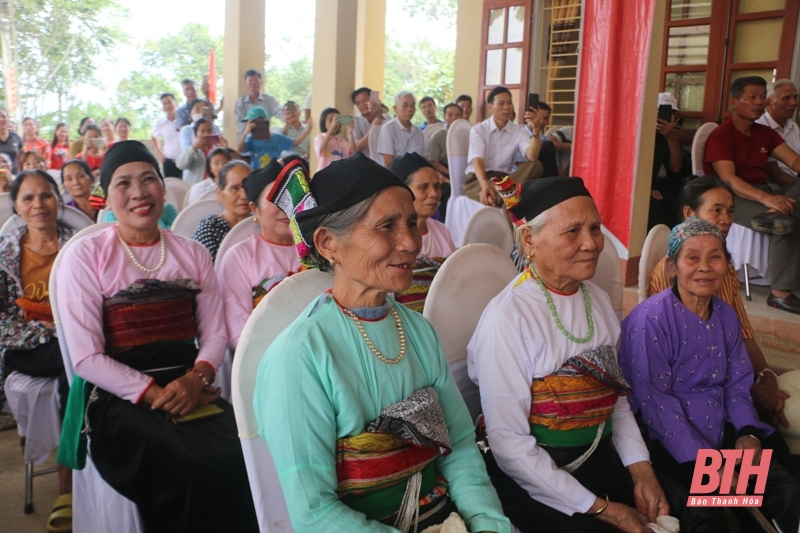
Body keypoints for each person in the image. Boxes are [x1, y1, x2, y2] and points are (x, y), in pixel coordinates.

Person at [254, 152, 510, 533]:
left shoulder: (418, 330)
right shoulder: (300, 356)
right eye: (386, 226)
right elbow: (315, 512)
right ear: (327, 243)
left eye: (411, 222)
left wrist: (489, 525)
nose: (410, 242)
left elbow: (458, 448)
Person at [469, 177, 716, 533]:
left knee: (701, 511)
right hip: (535, 474)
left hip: (598, 455)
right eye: (572, 231)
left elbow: (616, 400)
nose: (592, 243)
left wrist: (641, 471)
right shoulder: (506, 319)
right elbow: (510, 446)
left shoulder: (596, 300)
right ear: (529, 241)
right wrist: (606, 510)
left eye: (596, 228)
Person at [55, 141, 258, 532]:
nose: (138, 192)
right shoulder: (86, 256)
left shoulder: (193, 253)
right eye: (124, 183)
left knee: (244, 451)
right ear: (108, 197)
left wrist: (197, 377)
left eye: (148, 179)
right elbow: (86, 358)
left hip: (189, 386)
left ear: (163, 189)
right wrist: (154, 394)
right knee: (186, 464)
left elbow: (214, 334)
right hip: (118, 398)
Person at [620, 218, 800, 533]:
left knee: (782, 493)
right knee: (709, 515)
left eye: (715, 257)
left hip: (722, 430)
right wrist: (707, 464)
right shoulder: (650, 320)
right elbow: (655, 402)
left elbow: (737, 383)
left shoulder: (725, 314)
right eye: (692, 258)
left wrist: (747, 432)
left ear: (726, 265)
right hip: (671, 440)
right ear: (672, 267)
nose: (705, 266)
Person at [648, 175, 790, 429]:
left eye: (730, 210)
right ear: (689, 213)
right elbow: (683, 360)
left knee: (771, 440)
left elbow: (742, 333)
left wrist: (766, 375)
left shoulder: (724, 269)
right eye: (716, 210)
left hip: (730, 386)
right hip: (691, 400)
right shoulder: (670, 272)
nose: (726, 219)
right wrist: (749, 390)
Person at [0, 169, 75, 525]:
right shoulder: (5, 253)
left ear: (57, 201)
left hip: (75, 338)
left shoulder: (78, 243)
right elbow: (2, 322)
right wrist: (47, 331)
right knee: (74, 365)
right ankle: (68, 480)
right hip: (29, 347)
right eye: (27, 198)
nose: (38, 204)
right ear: (16, 205)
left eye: (45, 195)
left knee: (78, 360)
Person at [703, 75, 800, 314]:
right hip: (730, 197)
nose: (760, 102)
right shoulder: (722, 135)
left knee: (785, 212)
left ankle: (771, 214)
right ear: (735, 102)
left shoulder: (764, 133)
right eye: (752, 97)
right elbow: (729, 180)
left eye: (762, 97)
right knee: (784, 222)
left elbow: (794, 160)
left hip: (761, 193)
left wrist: (769, 197)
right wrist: (767, 199)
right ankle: (780, 293)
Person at [217, 159, 302, 349]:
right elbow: (239, 331)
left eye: (292, 197)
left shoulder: (319, 250)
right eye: (275, 199)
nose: (286, 207)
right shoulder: (239, 257)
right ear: (254, 209)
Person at [389, 153, 457, 313]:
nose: (434, 194)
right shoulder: (389, 237)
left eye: (437, 186)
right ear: (402, 191)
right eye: (423, 187)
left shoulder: (441, 231)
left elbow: (454, 281)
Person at [464, 87, 543, 207]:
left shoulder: (517, 131)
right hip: (478, 180)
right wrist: (485, 186)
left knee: (536, 165)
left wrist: (536, 129)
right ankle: (502, 195)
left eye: (509, 103)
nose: (507, 107)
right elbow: (478, 160)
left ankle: (497, 194)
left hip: (505, 180)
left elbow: (532, 156)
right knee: (514, 199)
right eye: (501, 103)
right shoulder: (479, 130)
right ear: (490, 107)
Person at [191, 159, 251, 261]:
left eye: (249, 187)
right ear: (219, 193)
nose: (244, 196)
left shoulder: (261, 223)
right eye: (235, 188)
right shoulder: (210, 229)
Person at [649, 93, 691, 230]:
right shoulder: (643, 133)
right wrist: (647, 188)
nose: (668, 117)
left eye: (673, 114)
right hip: (645, 187)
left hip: (667, 186)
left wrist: (672, 139)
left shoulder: (670, 137)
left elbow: (676, 169)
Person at [237, 107, 308, 170]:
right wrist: (245, 133)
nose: (251, 126)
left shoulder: (277, 137)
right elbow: (240, 149)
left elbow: (295, 142)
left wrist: (307, 131)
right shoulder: (251, 139)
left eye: (253, 122)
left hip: (274, 173)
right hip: (257, 174)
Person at [756, 79, 800, 180]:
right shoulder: (759, 127)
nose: (794, 103)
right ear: (769, 102)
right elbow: (775, 173)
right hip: (777, 189)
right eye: (786, 98)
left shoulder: (794, 127)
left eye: (795, 97)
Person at [377, 91, 427, 166]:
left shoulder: (418, 132)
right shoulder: (388, 129)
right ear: (395, 108)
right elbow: (389, 163)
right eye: (405, 105)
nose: (409, 109)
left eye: (412, 105)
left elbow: (424, 159)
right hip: (397, 174)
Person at [176, 118, 228, 186]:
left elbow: (228, 167)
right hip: (195, 188)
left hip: (214, 187)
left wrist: (225, 149)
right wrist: (194, 148)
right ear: (196, 134)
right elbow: (180, 165)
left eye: (209, 131)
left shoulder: (217, 150)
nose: (206, 134)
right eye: (202, 131)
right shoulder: (192, 150)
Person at [233, 69, 281, 139]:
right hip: (245, 142)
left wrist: (288, 118)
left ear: (261, 82)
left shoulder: (269, 99)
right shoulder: (240, 102)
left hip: (264, 141)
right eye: (250, 80)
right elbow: (241, 127)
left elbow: (280, 111)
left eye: (256, 80)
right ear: (246, 83)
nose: (253, 83)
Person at [151, 93, 183, 179]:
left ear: (175, 103)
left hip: (184, 160)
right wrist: (159, 153)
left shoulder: (183, 119)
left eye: (169, 102)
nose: (167, 105)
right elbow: (154, 136)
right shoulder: (160, 122)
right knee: (170, 187)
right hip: (169, 161)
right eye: (164, 103)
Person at [428, 102, 463, 180]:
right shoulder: (437, 136)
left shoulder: (467, 135)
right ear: (444, 117)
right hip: (444, 173)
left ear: (462, 117)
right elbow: (433, 161)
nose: (454, 118)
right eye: (450, 115)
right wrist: (450, 173)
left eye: (457, 115)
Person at [352, 86, 388, 159]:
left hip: (385, 163)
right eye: (358, 103)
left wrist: (379, 114)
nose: (362, 105)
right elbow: (356, 148)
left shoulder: (386, 118)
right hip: (365, 164)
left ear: (373, 99)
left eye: (365, 100)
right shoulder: (355, 121)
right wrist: (372, 128)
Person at [0, 109, 22, 173]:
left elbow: (24, 156)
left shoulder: (15, 137)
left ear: (8, 119)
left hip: (15, 177)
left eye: (3, 116)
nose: (1, 119)